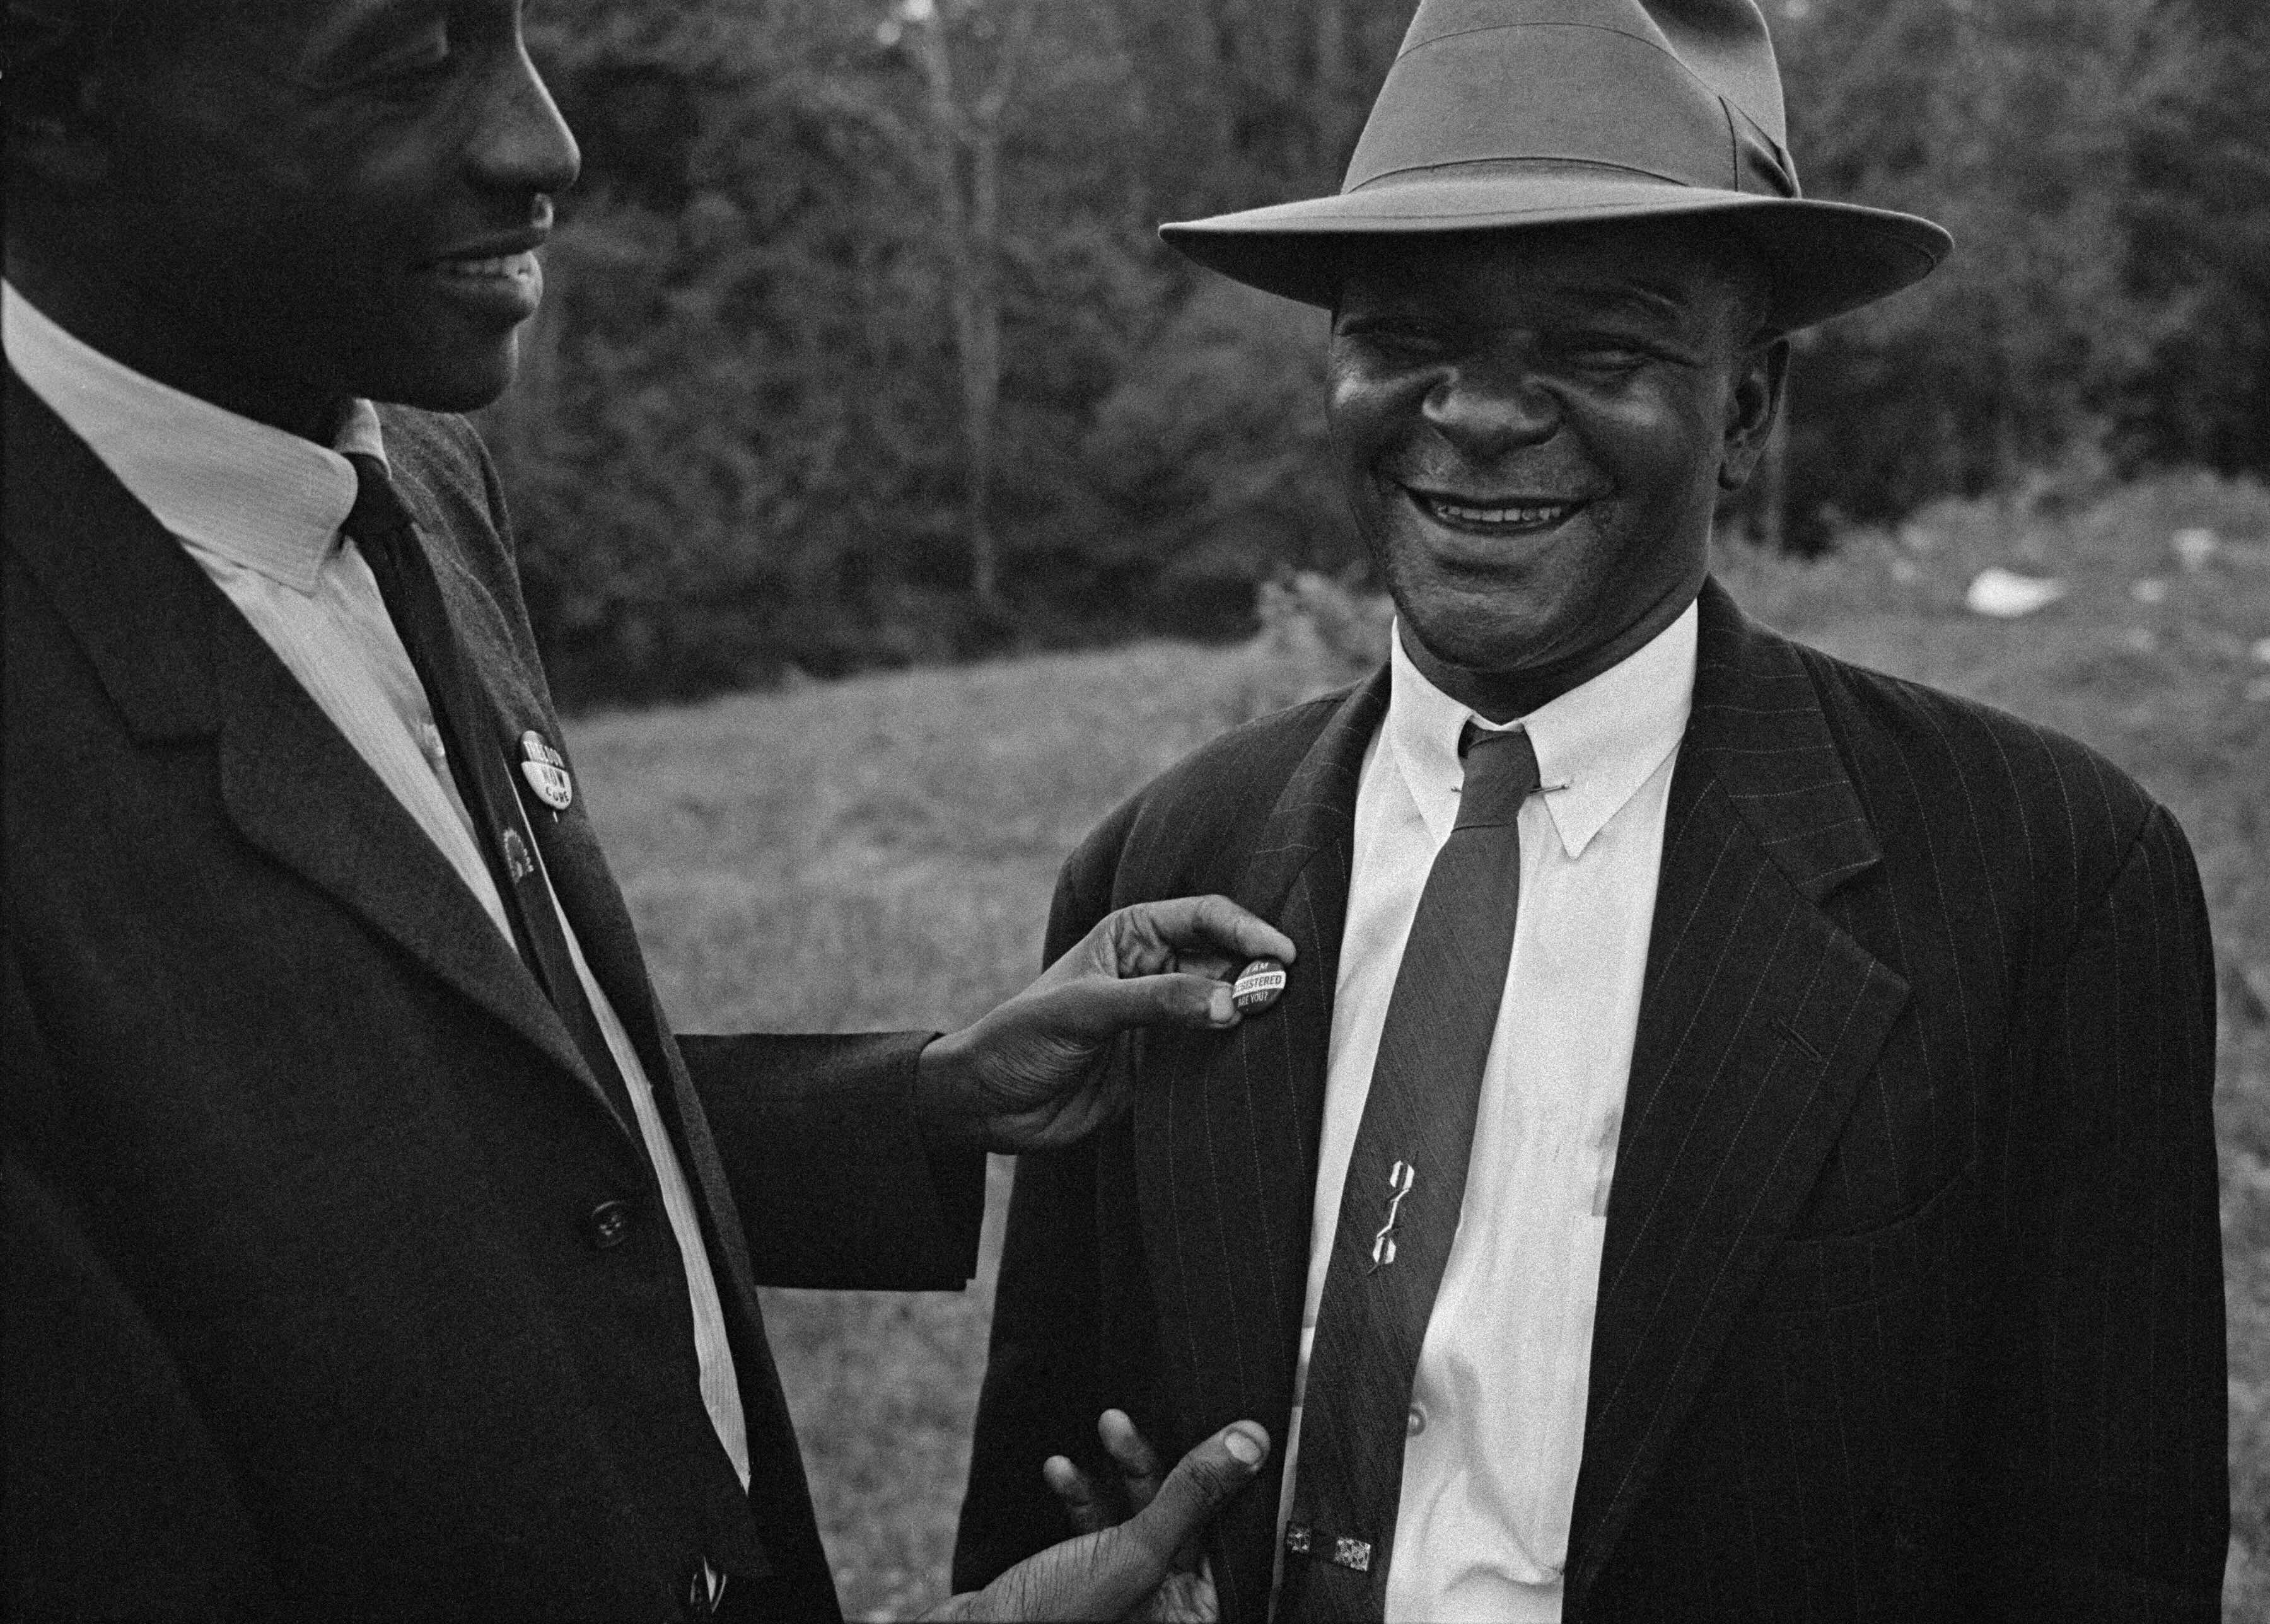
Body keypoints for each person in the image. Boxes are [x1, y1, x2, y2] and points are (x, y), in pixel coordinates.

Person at [0, 0, 1286, 1618]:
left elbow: (423, 1145)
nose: (543, 143)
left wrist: (927, 1100)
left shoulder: (419, 476)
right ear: (62, 105)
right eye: (409, 62)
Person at [954, 2, 2230, 1620]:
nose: (1479, 412)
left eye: (1598, 348)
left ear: (1747, 407)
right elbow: (1035, 1524)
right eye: (1405, 336)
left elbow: (2109, 1556)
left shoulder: (2048, 877)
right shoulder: (1163, 864)